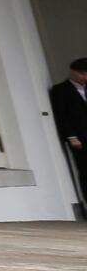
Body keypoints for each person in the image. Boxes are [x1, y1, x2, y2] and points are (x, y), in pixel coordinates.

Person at [49, 58, 87, 202]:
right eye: (83, 74)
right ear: (73, 72)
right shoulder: (61, 90)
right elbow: (62, 115)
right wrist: (71, 136)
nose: (85, 77)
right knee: (85, 170)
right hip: (80, 138)